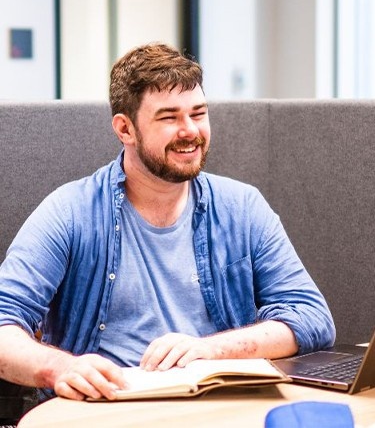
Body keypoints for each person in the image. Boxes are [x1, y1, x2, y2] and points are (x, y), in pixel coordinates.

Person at [0, 42, 335, 403]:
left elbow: (312, 317)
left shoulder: (242, 207)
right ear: (125, 129)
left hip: (219, 406)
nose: (190, 130)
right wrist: (59, 368)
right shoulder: (71, 212)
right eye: (169, 117)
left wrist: (210, 350)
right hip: (106, 409)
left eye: (198, 113)